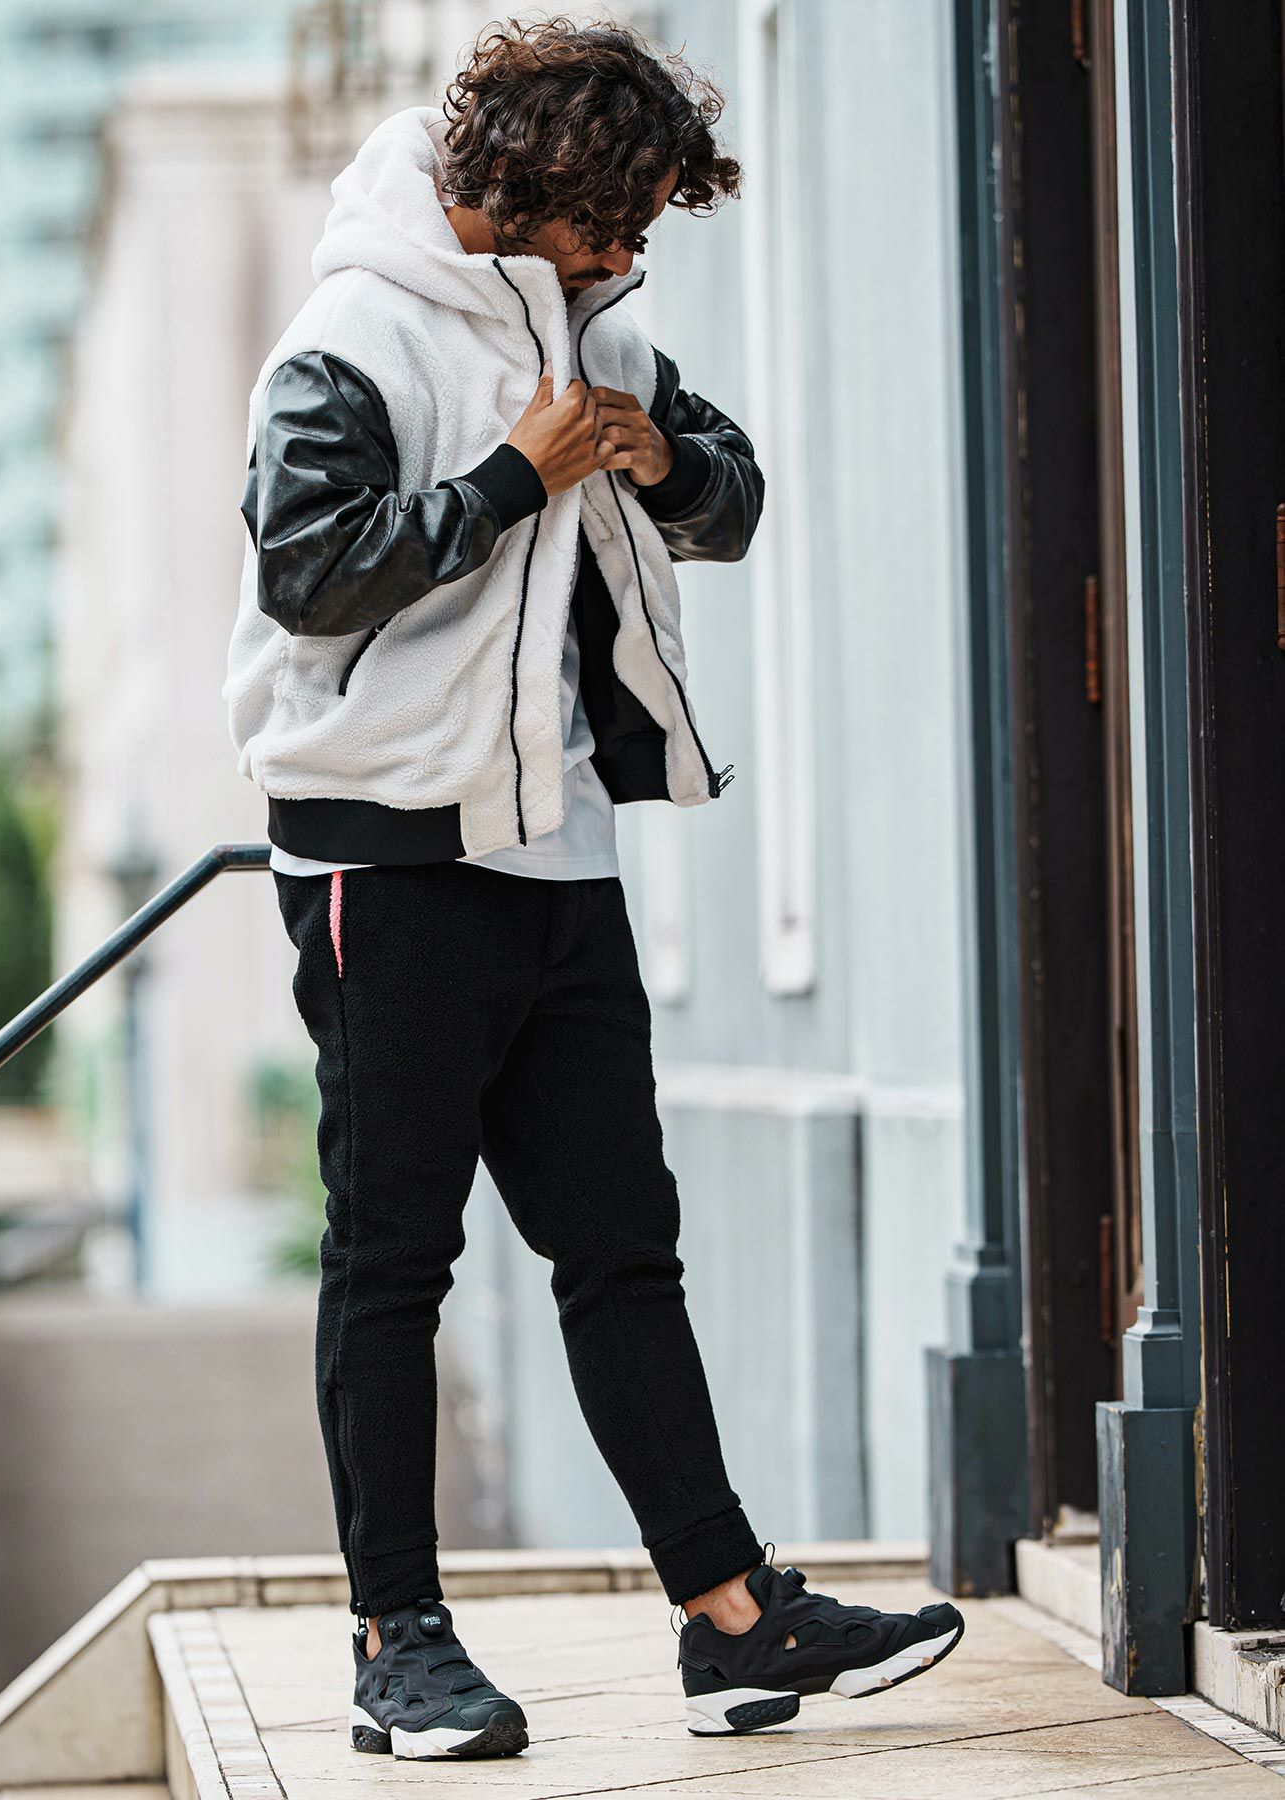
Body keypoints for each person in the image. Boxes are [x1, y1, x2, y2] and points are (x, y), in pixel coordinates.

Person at [225, 14, 964, 1761]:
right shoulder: (351, 336)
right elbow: (306, 571)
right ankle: (398, 1644)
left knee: (623, 1249)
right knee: (393, 1262)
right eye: (611, 216)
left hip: (560, 853)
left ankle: (731, 1616)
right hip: (390, 856)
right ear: (528, 181)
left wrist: (656, 459)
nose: (629, 248)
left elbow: (734, 500)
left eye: (643, 224)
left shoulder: (604, 324)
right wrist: (510, 482)